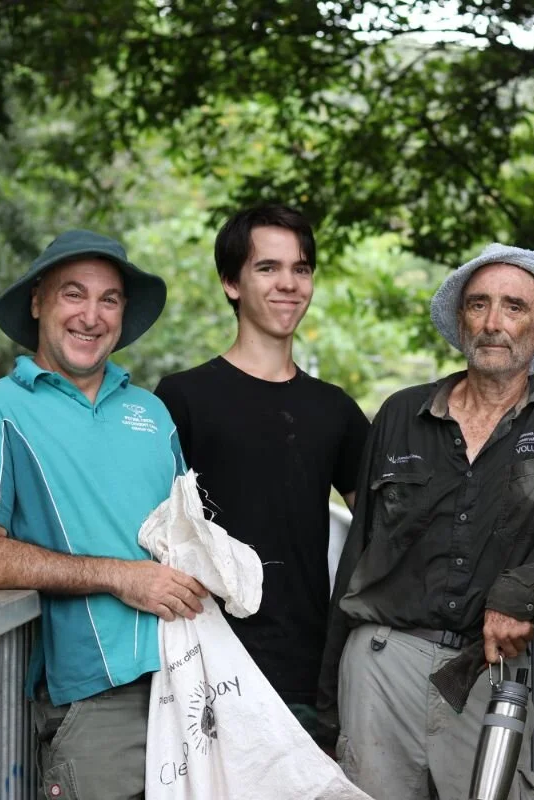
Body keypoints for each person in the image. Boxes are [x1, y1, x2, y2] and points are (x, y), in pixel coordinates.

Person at [318, 243, 534, 799]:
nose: (494, 323)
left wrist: (518, 588)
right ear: (461, 321)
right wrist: (326, 711)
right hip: (382, 665)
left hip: (490, 673)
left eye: (514, 307)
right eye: (478, 305)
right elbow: (358, 557)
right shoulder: (403, 413)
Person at [0, 230, 207, 800]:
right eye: (73, 294)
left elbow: (188, 536)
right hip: (94, 698)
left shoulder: (152, 412)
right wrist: (120, 575)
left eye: (109, 299)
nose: (92, 315)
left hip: (190, 683)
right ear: (38, 301)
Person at [154, 204, 370, 738]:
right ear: (231, 283)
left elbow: (386, 525)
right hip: (204, 663)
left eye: (301, 268)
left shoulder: (335, 409)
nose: (289, 284)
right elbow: (152, 531)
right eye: (267, 268)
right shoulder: (182, 397)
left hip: (308, 670)